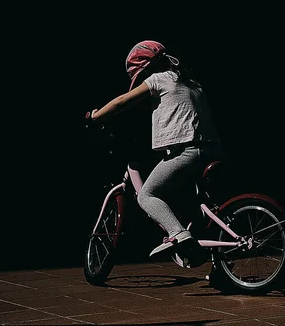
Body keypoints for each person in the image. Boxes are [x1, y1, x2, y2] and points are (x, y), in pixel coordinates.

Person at [87, 40, 224, 258]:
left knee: (147, 195)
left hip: (187, 151)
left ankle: (177, 233)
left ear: (148, 67)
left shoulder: (159, 79)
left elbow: (122, 102)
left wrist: (96, 115)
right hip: (212, 149)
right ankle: (217, 261)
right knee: (197, 206)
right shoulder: (191, 82)